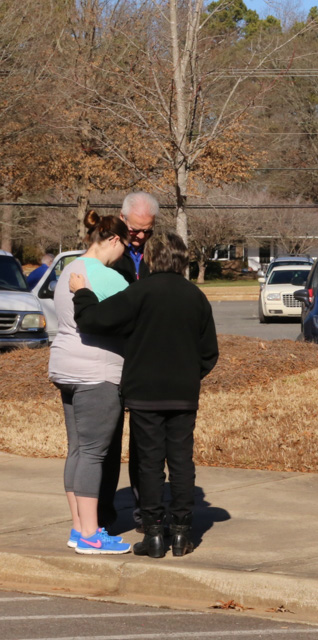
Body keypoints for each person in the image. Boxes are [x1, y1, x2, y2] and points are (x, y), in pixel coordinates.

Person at [72, 231, 219, 558]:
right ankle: (182, 533)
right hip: (182, 395)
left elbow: (94, 319)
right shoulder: (195, 297)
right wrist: (188, 377)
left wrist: (82, 293)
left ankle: (153, 535)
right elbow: (209, 353)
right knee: (182, 462)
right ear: (183, 260)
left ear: (151, 259)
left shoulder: (138, 292)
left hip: (143, 396)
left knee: (149, 464)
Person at [48, 212, 131, 555]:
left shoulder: (68, 268)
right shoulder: (109, 278)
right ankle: (91, 535)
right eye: (124, 246)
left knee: (78, 450)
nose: (123, 254)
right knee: (95, 454)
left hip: (65, 366)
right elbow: (132, 319)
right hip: (97, 372)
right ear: (113, 240)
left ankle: (79, 527)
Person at [99, 192, 158, 531]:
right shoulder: (105, 252)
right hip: (110, 356)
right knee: (106, 441)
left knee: (145, 442)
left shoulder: (157, 253)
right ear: (121, 218)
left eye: (146, 231)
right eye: (134, 229)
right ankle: (104, 516)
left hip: (145, 359)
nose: (139, 236)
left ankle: (145, 512)